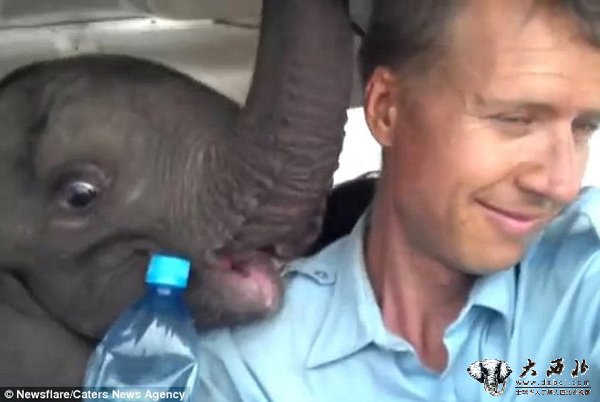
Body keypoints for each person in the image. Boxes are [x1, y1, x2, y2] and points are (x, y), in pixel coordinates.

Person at [196, 0, 600, 400]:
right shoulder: (253, 369)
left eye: (584, 128)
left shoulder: (582, 271)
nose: (561, 185)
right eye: (515, 119)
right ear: (386, 108)